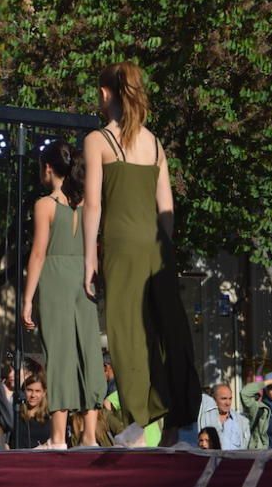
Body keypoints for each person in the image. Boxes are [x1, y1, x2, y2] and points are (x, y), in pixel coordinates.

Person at [83, 61, 201, 446]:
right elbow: (166, 207)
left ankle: (138, 419)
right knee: (169, 331)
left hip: (120, 243)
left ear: (105, 94)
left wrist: (90, 257)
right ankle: (179, 425)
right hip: (156, 245)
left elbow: (94, 206)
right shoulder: (153, 142)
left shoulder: (98, 140)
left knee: (127, 331)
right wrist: (163, 248)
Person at [23, 140, 106, 450]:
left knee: (59, 354)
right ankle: (88, 436)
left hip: (56, 279)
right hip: (85, 279)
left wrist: (28, 298)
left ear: (48, 168)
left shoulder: (45, 204)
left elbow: (38, 253)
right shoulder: (87, 203)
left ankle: (58, 437)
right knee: (89, 352)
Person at [241, 373, 272, 449]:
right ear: (266, 390)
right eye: (271, 387)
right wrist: (268, 382)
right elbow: (244, 393)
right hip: (260, 457)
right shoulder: (259, 407)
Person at [198, 384, 250, 450]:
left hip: (232, 459)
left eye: (230, 398)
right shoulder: (204, 417)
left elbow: (244, 448)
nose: (228, 403)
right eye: (224, 399)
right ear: (213, 399)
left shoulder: (242, 422)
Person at [11, 375, 52, 449]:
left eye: (37, 391)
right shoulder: (15, 414)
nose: (33, 395)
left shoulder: (49, 418)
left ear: (44, 393)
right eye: (29, 390)